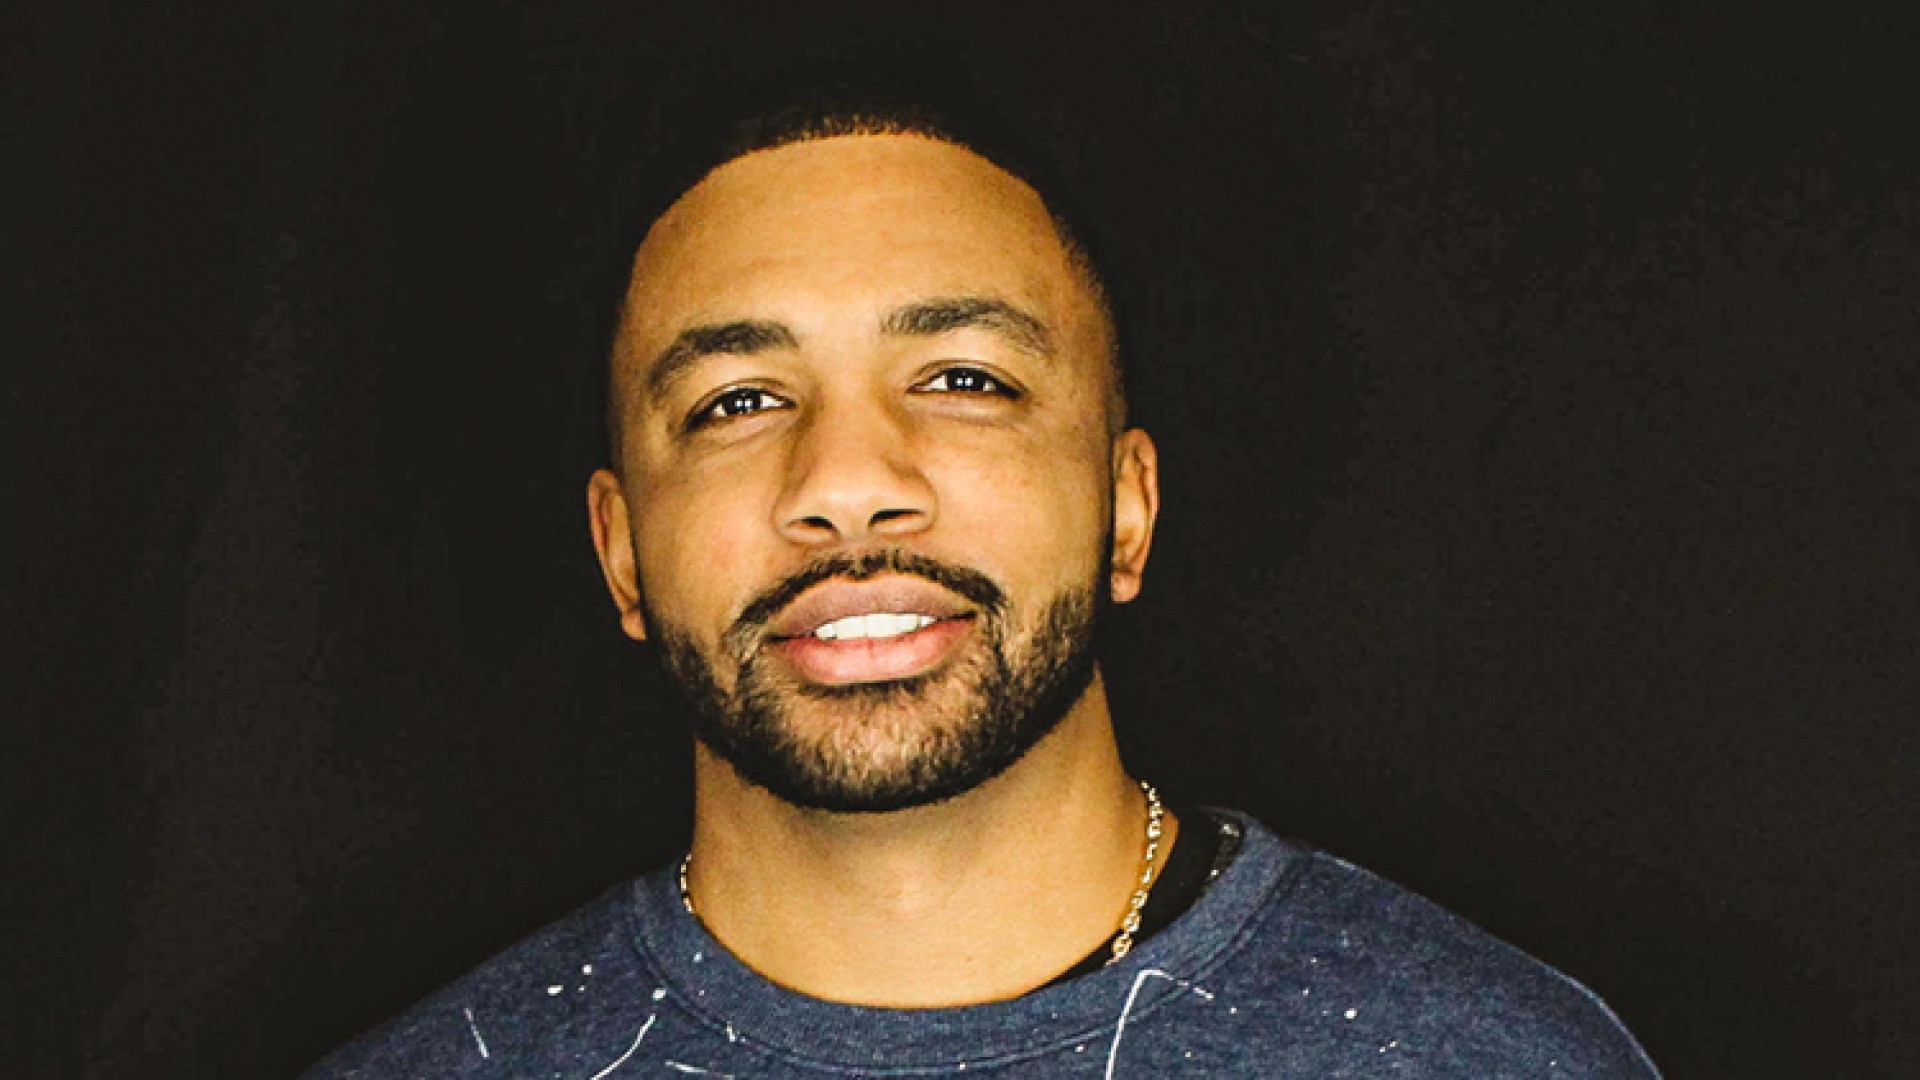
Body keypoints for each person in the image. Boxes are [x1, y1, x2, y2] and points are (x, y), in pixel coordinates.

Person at [306, 90, 1660, 1078]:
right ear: (620, 553)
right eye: (738, 400)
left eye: (963, 379)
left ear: (1127, 508)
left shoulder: (1496, 1058)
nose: (846, 483)